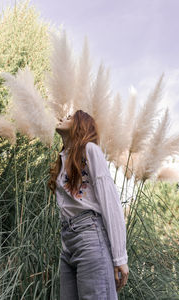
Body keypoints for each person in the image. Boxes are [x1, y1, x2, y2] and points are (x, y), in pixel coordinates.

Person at [48, 110, 129, 300]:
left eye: (69, 117)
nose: (62, 118)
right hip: (68, 244)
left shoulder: (90, 150)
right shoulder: (63, 159)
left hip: (90, 237)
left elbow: (110, 201)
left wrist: (120, 257)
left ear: (80, 125)